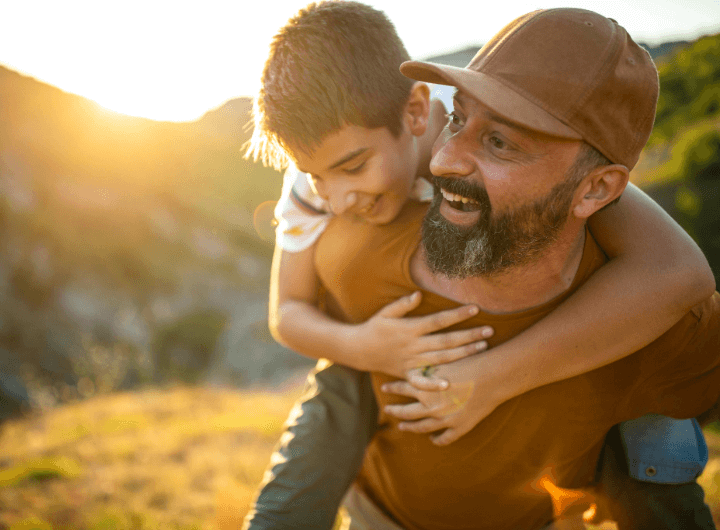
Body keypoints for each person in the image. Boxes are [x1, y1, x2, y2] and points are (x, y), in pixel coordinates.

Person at [244, 4, 718, 529]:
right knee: (340, 382)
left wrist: (491, 377)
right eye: (460, 121)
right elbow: (286, 309)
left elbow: (678, 271)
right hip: (377, 362)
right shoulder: (313, 192)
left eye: (498, 142)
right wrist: (365, 345)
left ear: (417, 114)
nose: (333, 198)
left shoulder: (472, 126)